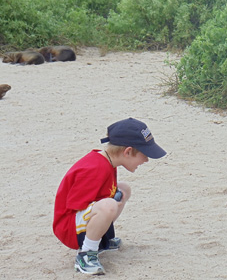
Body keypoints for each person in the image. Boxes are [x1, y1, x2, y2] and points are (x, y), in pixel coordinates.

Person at [53, 117, 166, 275]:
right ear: (127, 152)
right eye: (144, 154)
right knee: (109, 205)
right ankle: (86, 254)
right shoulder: (94, 168)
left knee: (123, 189)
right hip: (68, 227)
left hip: (78, 219)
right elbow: (74, 204)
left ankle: (103, 239)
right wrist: (109, 201)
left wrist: (114, 196)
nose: (146, 160)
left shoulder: (107, 162)